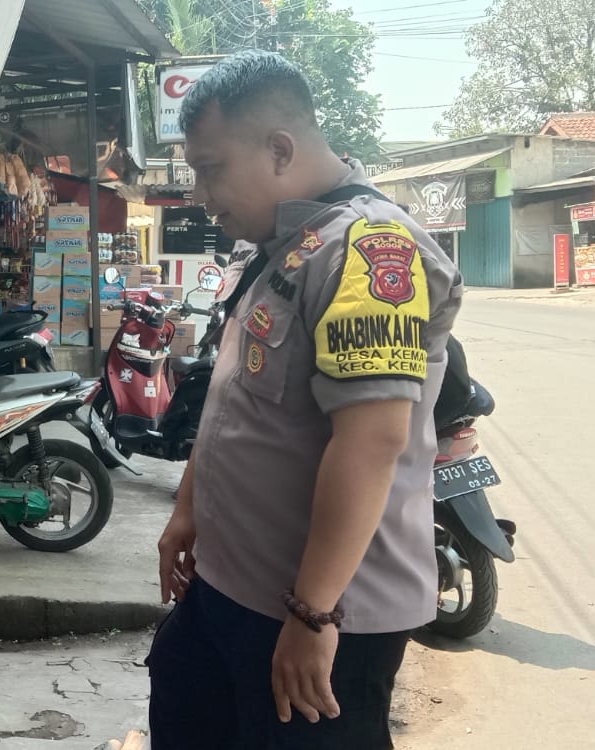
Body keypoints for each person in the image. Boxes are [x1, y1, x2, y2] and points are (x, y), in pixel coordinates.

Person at [146, 50, 465, 749]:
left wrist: (314, 614)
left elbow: (372, 441)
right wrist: (188, 508)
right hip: (231, 583)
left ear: (280, 150)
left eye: (211, 168)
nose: (201, 194)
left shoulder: (366, 248)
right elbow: (234, 396)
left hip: (314, 613)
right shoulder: (280, 240)